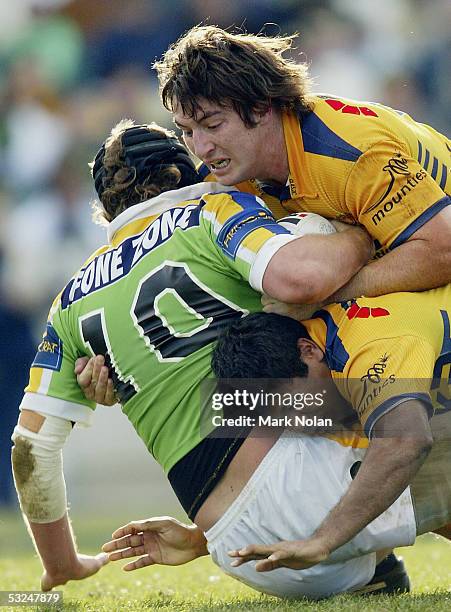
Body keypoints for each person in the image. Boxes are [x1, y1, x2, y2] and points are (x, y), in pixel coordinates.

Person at [11, 120, 380, 598]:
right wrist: (356, 236)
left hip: (238, 550)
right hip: (315, 490)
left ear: (106, 207)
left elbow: (30, 449)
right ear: (187, 170)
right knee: (358, 290)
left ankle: (376, 569)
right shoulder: (211, 209)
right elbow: (305, 273)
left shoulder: (68, 303)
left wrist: (62, 564)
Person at [101, 294, 451, 594]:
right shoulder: (321, 387)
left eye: (293, 407)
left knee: (394, 450)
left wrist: (322, 542)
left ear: (307, 351)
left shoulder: (371, 344)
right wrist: (203, 539)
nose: (298, 424)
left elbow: (408, 445)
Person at [154, 25, 451, 299]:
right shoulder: (217, 179)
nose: (201, 147)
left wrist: (326, 295)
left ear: (260, 107)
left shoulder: (351, 152)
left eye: (213, 125)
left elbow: (443, 251)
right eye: (187, 131)